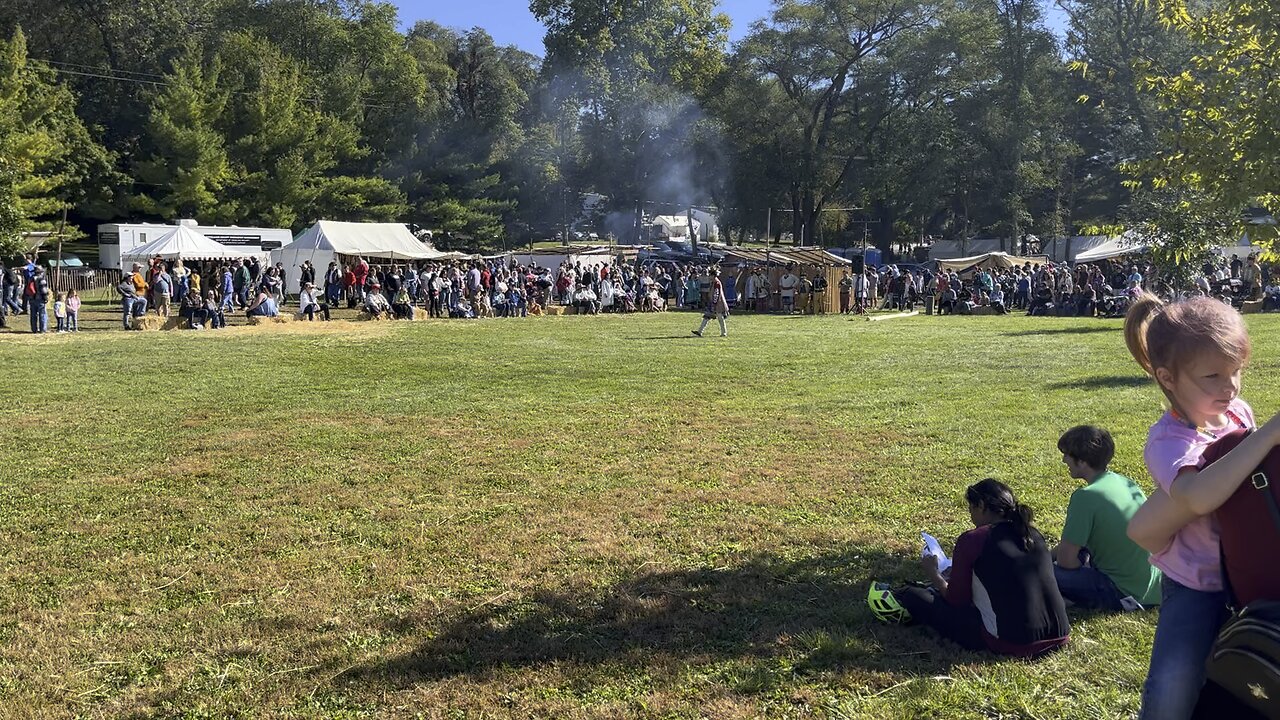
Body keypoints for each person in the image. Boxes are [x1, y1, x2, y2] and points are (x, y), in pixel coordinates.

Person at [1123, 294, 1280, 720]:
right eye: (1212, 376)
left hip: (1247, 571)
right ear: (1167, 377)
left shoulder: (1237, 413)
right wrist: (1266, 436)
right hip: (1196, 582)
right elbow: (1197, 496)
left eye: (1236, 372)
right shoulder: (1168, 440)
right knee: (1174, 682)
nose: (1229, 387)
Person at [887, 479, 1071, 657]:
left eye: (971, 509)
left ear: (981, 505)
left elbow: (956, 600)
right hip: (1059, 634)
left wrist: (934, 574)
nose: (971, 516)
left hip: (1011, 642)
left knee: (914, 596)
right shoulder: (1032, 533)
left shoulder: (973, 539)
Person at [1052, 426, 1163, 611]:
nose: (1064, 460)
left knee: (1036, 572)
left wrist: (1043, 562)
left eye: (1067, 455)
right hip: (1152, 588)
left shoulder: (1085, 497)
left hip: (1121, 591)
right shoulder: (1125, 482)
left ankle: (1072, 600)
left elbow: (1066, 561)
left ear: (1082, 461)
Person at [692, 268, 729, 338]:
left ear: (713, 276)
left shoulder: (717, 283)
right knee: (706, 317)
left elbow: (716, 294)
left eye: (710, 275)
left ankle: (724, 332)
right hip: (713, 302)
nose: (709, 277)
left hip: (718, 303)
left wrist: (714, 304)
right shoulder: (713, 282)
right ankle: (700, 331)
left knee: (720, 317)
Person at [28, 266, 49, 334]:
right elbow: (43, 289)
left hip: (32, 298)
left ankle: (34, 329)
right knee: (42, 314)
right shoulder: (41, 279)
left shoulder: (30, 278)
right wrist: (45, 297)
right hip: (40, 298)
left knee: (33, 315)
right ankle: (43, 329)